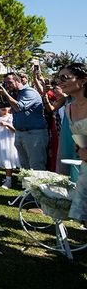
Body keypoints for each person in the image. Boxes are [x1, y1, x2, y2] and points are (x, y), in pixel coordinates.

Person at [52, 63, 87, 223]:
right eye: (59, 78)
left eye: (65, 78)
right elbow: (80, 139)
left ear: (83, 80)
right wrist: (80, 148)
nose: (60, 82)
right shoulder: (69, 108)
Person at [0, 73, 48, 170]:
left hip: (33, 134)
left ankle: (37, 185)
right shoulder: (15, 94)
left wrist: (6, 94)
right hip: (20, 133)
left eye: (9, 82)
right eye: (5, 83)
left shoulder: (29, 92)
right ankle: (26, 185)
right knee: (24, 166)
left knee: (36, 166)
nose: (7, 85)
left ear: (18, 81)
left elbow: (18, 107)